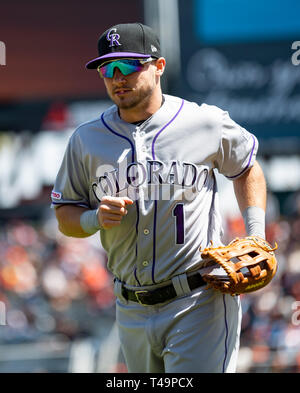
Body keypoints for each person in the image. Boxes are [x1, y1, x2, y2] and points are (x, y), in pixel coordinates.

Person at [51, 22, 267, 373]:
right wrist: (93, 219)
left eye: (128, 65)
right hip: (130, 307)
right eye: (107, 68)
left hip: (198, 300)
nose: (117, 76)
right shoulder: (86, 140)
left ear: (159, 66)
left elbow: (247, 167)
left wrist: (255, 231)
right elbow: (65, 215)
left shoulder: (204, 122)